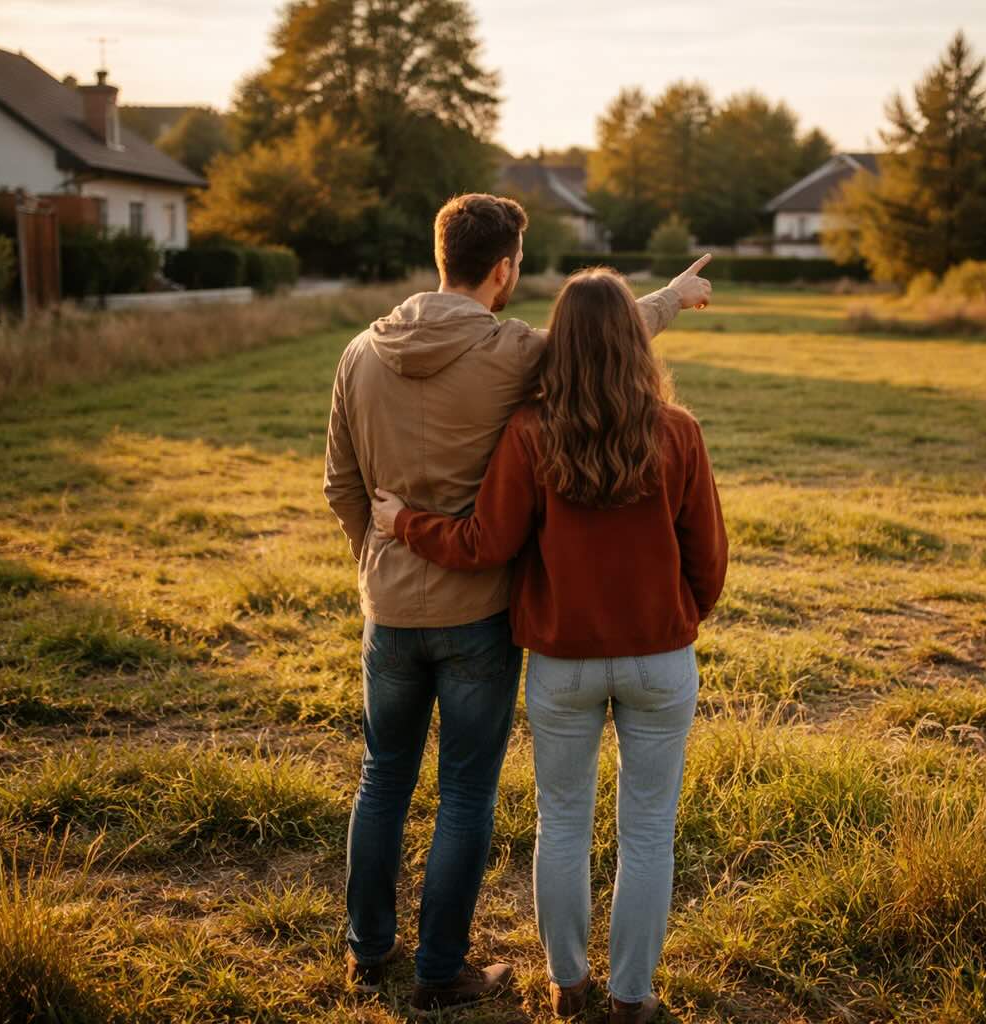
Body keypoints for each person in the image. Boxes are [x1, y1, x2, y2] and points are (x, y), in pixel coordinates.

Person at [323, 193, 713, 1016]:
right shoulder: (512, 355)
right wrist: (673, 298)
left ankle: (373, 949)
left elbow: (341, 483)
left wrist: (377, 558)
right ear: (504, 269)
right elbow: (600, 340)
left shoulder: (358, 353)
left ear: (441, 256)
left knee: (382, 778)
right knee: (471, 792)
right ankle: (447, 971)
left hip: (394, 607)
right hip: (481, 618)